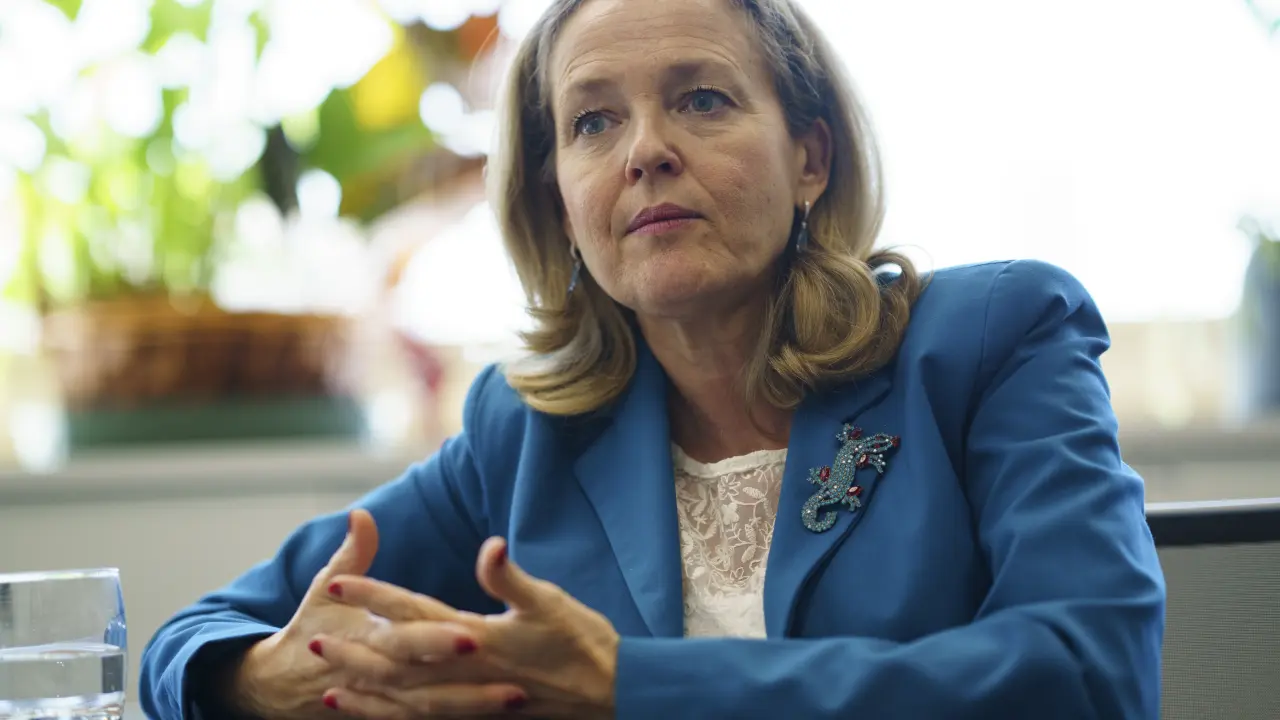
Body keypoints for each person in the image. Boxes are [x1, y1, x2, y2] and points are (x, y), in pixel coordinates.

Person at [139, 0, 1166, 717]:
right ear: (559, 202)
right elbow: (197, 632)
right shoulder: (525, 432)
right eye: (593, 121)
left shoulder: (991, 341)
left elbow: (1091, 673)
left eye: (702, 99)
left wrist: (627, 687)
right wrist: (256, 681)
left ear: (810, 157)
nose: (644, 151)